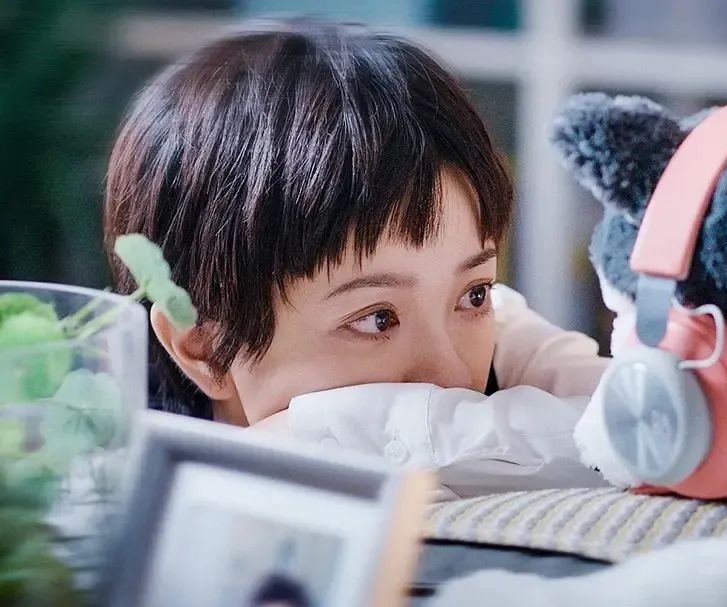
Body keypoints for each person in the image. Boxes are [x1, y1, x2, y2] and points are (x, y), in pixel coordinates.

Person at [104, 18, 610, 499]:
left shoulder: (502, 332)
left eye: (473, 293)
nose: (453, 374)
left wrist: (329, 431)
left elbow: (637, 430)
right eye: (377, 319)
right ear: (206, 348)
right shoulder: (102, 485)